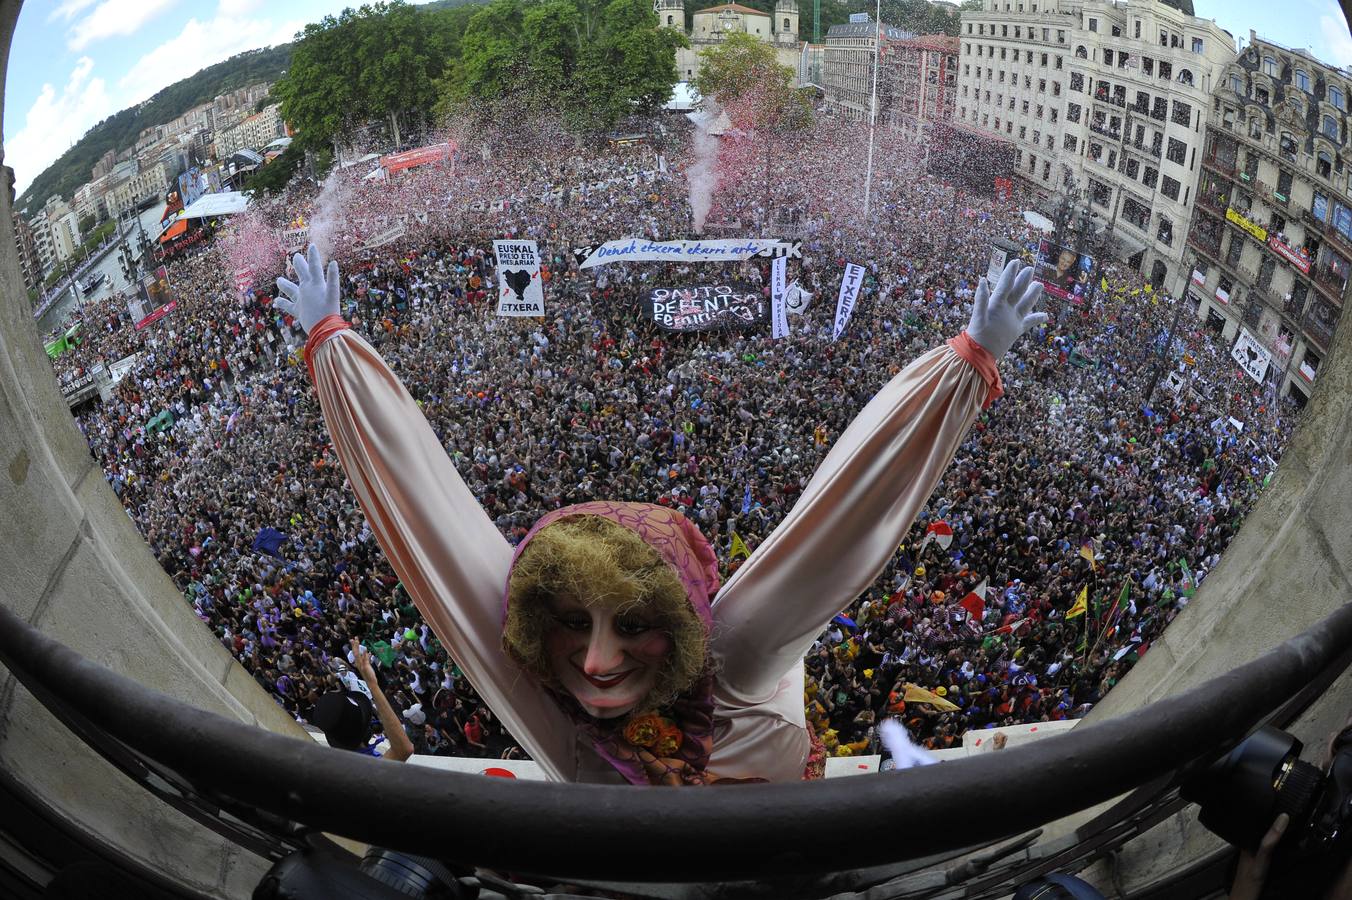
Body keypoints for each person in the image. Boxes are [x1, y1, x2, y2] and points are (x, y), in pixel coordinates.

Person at [277, 244, 1046, 785]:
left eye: (631, 624)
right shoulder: (560, 681)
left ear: (685, 624)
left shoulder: (729, 655)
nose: (599, 663)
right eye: (575, 624)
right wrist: (331, 350)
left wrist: (965, 365)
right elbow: (429, 518)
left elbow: (837, 525)